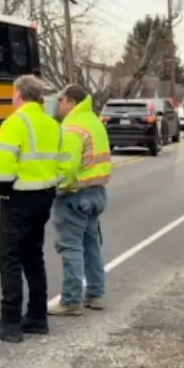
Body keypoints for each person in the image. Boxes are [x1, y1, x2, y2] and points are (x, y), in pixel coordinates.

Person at [0, 74, 61, 343]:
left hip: (18, 198)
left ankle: (10, 322)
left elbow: (3, 163)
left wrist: (3, 189)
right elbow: (62, 160)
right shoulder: (51, 124)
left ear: (18, 94)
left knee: (9, 259)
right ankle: (37, 316)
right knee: (33, 256)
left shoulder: (14, 122)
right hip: (44, 195)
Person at [48, 83, 110, 317]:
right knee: (91, 244)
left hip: (75, 194)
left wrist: (57, 188)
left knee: (70, 246)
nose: (59, 103)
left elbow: (68, 165)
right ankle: (95, 294)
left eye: (61, 99)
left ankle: (71, 300)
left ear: (71, 102)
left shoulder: (73, 127)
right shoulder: (94, 122)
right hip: (96, 192)